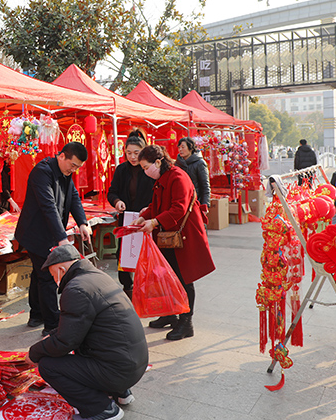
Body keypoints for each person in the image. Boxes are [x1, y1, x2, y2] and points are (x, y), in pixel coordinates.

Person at [25, 243, 148, 420]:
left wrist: (34, 353)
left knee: (48, 366)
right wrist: (51, 337)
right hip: (133, 364)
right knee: (82, 345)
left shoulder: (76, 289)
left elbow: (65, 342)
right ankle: (119, 392)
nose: (54, 280)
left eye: (53, 275)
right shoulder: (97, 276)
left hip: (118, 370)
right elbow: (74, 327)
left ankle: (102, 410)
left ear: (61, 269)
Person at [131, 145, 215, 340]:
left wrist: (154, 221)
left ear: (158, 162)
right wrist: (145, 216)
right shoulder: (162, 178)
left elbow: (178, 208)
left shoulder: (178, 177)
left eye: (146, 167)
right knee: (167, 276)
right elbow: (157, 205)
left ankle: (187, 322)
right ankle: (170, 314)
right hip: (169, 235)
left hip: (184, 236)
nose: (145, 172)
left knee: (184, 278)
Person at [15, 142, 92, 336]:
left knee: (39, 272)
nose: (73, 170)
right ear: (61, 156)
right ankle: (51, 325)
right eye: (72, 165)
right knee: (48, 276)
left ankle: (37, 314)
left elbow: (73, 196)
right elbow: (48, 206)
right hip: (36, 232)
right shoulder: (41, 172)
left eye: (77, 167)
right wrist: (62, 238)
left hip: (50, 230)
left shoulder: (66, 173)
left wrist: (82, 222)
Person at [107, 130, 154, 298]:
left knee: (145, 255)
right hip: (126, 219)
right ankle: (128, 289)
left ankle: (145, 289)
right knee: (125, 254)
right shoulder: (121, 170)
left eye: (136, 153)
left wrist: (148, 210)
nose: (133, 157)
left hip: (146, 219)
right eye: (129, 153)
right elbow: (112, 192)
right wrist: (117, 201)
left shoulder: (149, 170)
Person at [175, 137, 211, 213]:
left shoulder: (200, 163)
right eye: (179, 147)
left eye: (183, 147)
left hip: (196, 201)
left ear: (190, 148)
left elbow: (205, 186)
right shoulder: (177, 164)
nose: (180, 150)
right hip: (181, 202)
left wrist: (205, 204)